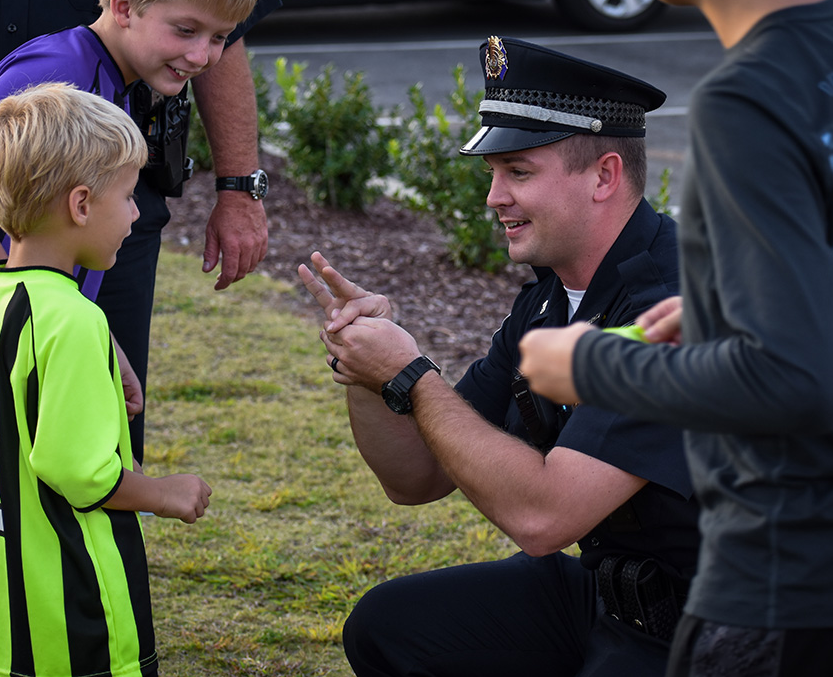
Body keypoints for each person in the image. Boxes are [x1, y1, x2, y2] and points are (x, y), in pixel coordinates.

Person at [515, 0, 833, 675]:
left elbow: (792, 382)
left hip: (797, 588)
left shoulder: (747, 98)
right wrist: (738, 303)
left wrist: (589, 365)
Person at [0, 0, 257, 664]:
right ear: (123, 5)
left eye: (219, 38)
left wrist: (104, 351)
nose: (203, 56)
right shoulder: (62, 71)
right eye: (186, 31)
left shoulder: (117, 76)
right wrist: (23, 312)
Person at [298, 37, 700, 676]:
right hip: (617, 601)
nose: (493, 198)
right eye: (493, 174)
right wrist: (366, 370)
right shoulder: (549, 298)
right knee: (391, 629)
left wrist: (411, 375)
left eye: (518, 172)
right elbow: (417, 479)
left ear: (604, 176)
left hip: (723, 632)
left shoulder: (674, 309)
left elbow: (545, 517)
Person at [0, 81, 212, 677]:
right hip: (71, 616)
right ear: (79, 205)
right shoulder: (74, 318)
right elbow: (77, 472)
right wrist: (163, 492)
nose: (136, 213)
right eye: (128, 196)